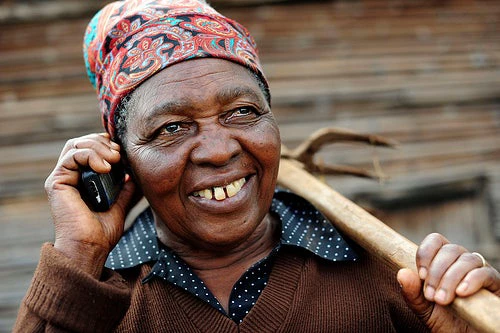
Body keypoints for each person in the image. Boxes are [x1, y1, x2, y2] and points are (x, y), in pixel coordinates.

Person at [14, 0, 499, 332]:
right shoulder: (95, 301)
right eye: (172, 128)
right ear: (121, 160)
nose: (219, 150)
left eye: (243, 113)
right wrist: (78, 256)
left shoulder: (387, 275)